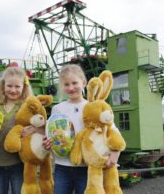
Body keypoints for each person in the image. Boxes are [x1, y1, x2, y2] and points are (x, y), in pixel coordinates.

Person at [43, 64, 121, 194]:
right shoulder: (57, 109)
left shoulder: (93, 106)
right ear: (61, 86)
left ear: (83, 82)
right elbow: (53, 133)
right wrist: (48, 144)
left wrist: (115, 154)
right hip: (62, 167)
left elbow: (112, 130)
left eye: (74, 83)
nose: (71, 87)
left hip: (87, 167)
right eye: (66, 84)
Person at [0, 66, 33, 194]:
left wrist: (34, 129)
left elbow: (41, 128)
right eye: (9, 86)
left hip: (19, 165)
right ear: (3, 86)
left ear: (23, 87)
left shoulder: (27, 109)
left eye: (17, 87)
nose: (13, 90)